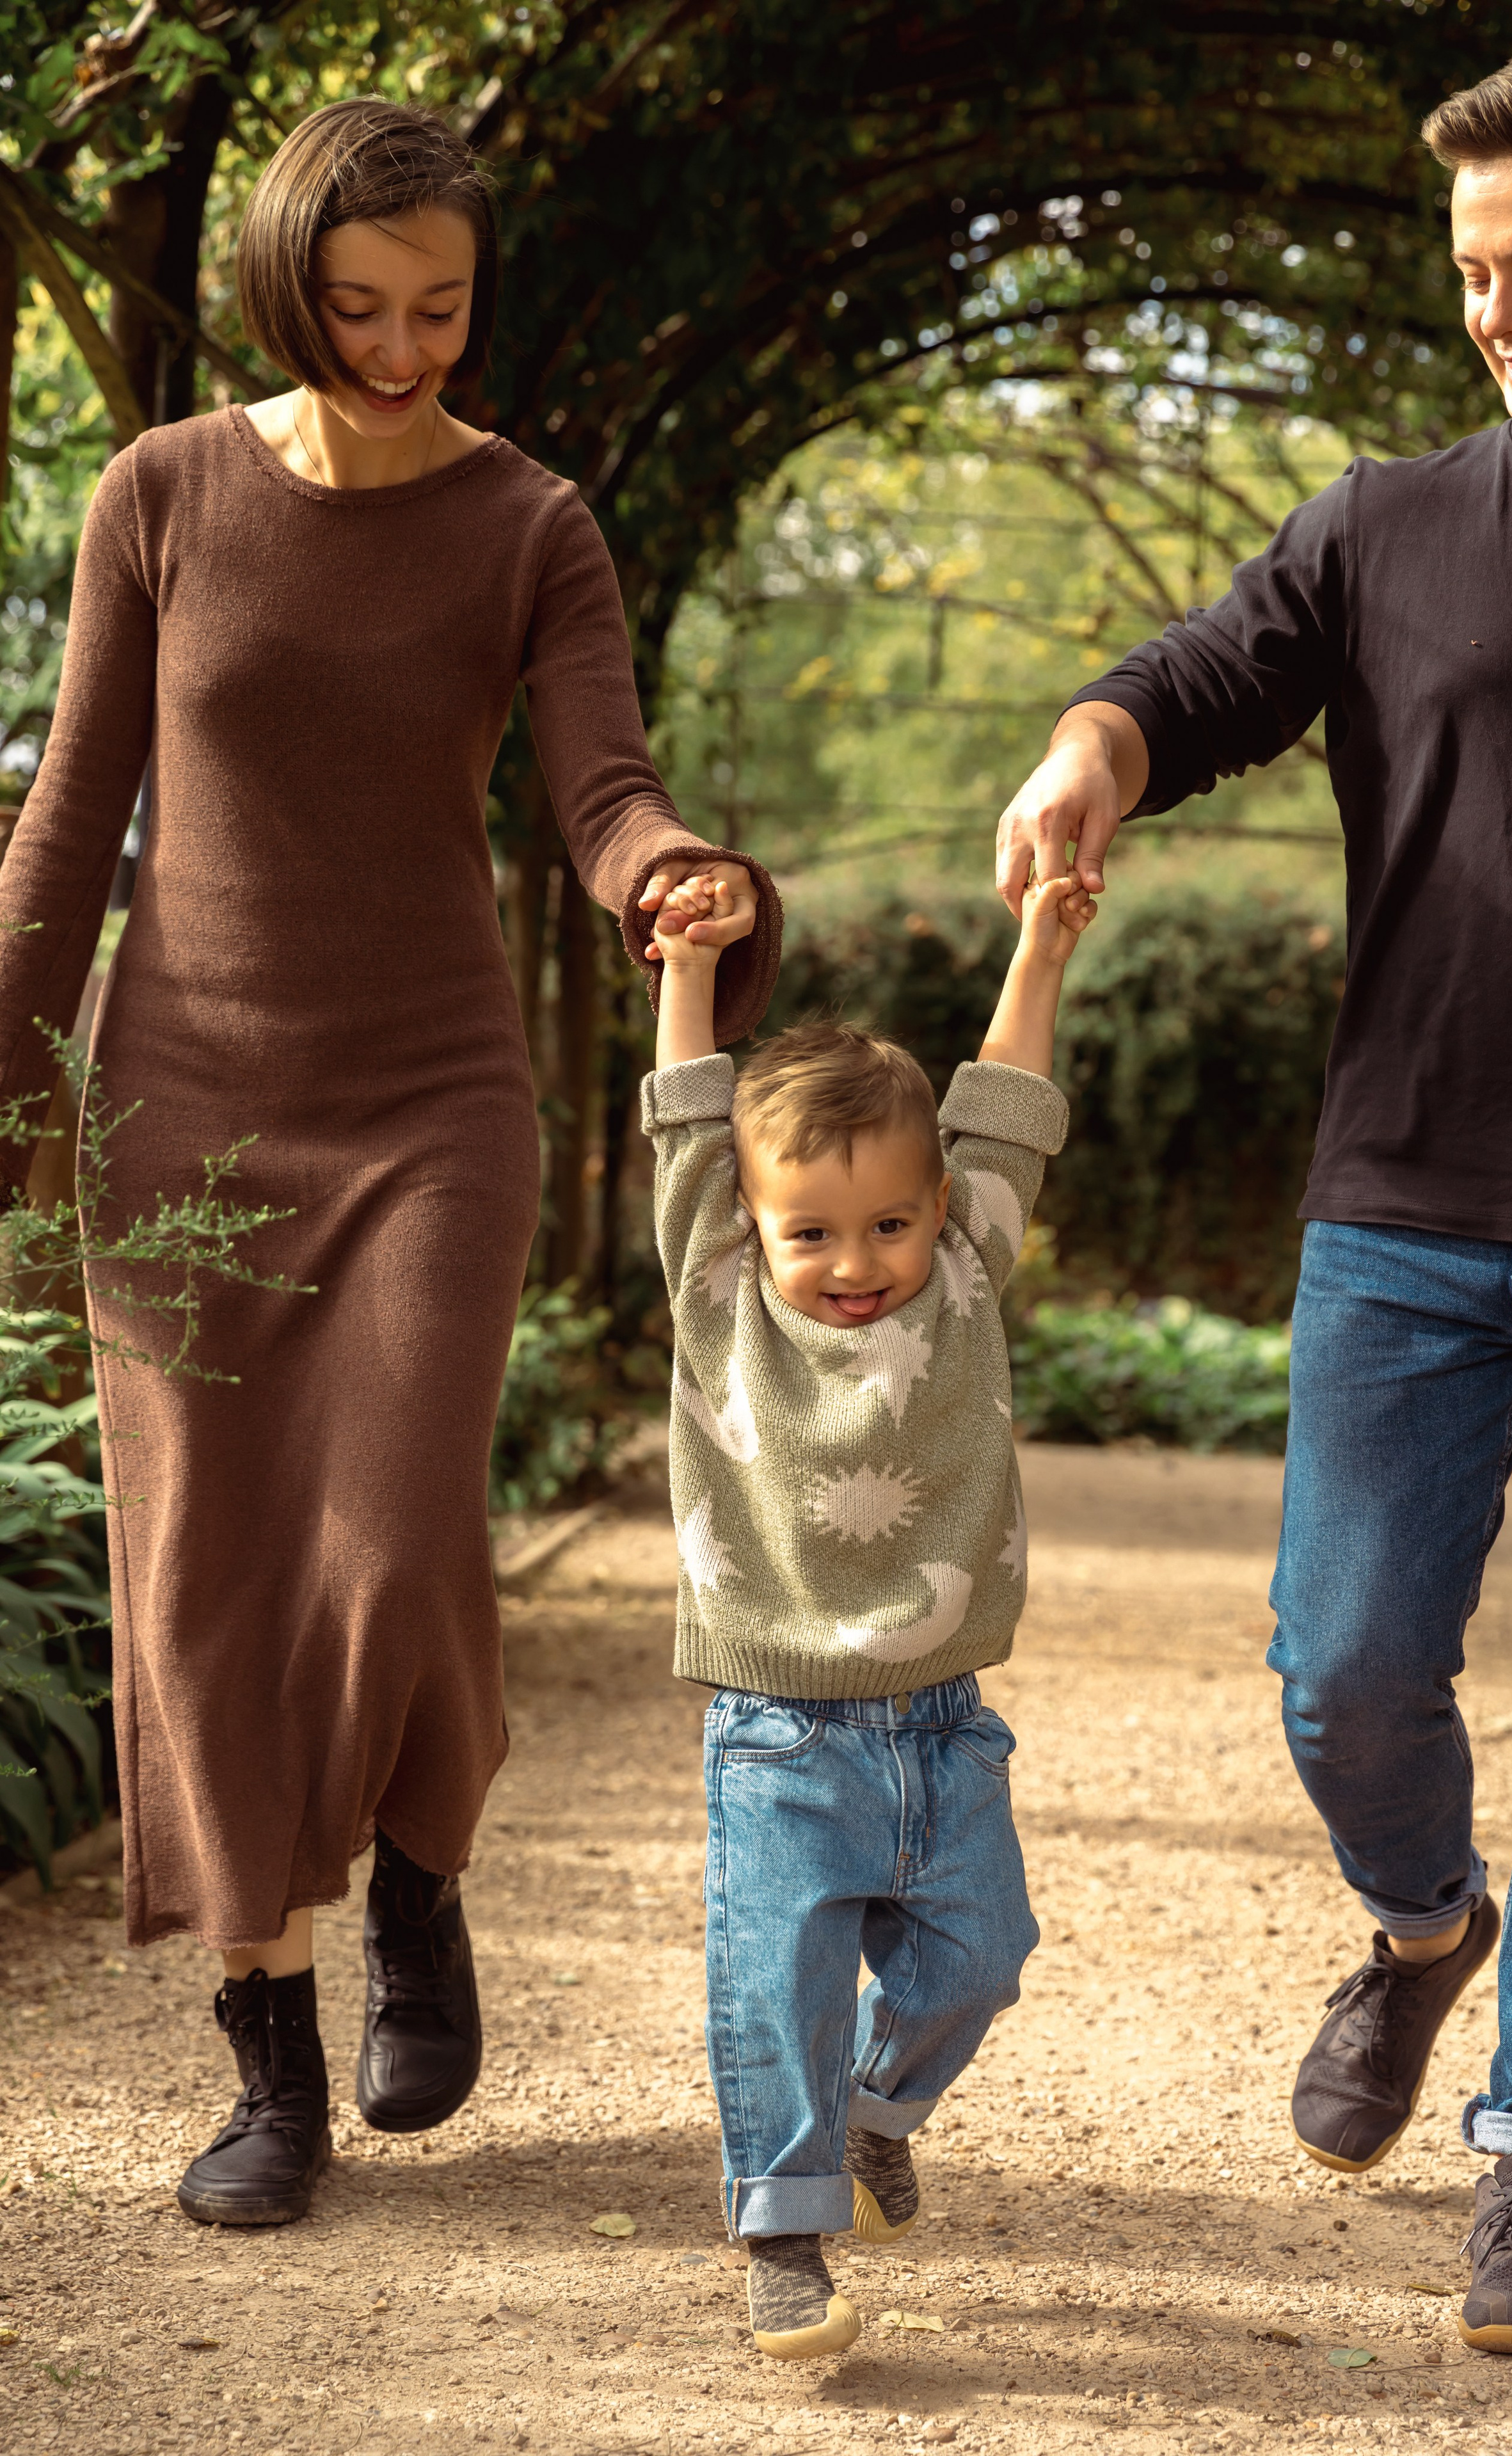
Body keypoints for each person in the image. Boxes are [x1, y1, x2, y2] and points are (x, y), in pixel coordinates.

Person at [0, 97, 776, 2228]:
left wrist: (675, 876)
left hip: (435, 1092)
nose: (406, 343)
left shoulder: (531, 521)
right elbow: (72, 820)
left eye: (442, 304)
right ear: (286, 280)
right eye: (361, 304)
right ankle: (272, 2058)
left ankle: (419, 1866)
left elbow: (601, 784)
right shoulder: (160, 493)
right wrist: (5, 1062)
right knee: (201, 1579)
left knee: (396, 1523)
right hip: (187, 1106)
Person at [991, 28, 1512, 2360]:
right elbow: (1196, 673)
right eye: (1475, 272)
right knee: (1344, 1661)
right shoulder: (1383, 522)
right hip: (1408, 1197)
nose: (1499, 311)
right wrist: (1089, 751)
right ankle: (1418, 1923)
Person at [640, 865, 1090, 2359]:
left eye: (886, 1223)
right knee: (776, 1984)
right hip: (776, 1732)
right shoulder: (718, 1286)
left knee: (984, 1952)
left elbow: (1010, 1100)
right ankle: (784, 2230)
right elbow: (689, 1117)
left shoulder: (964, 1273)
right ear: (749, 1225)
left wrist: (1037, 939)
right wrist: (690, 968)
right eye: (813, 1234)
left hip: (944, 1717)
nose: (854, 1263)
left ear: (939, 1210)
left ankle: (878, 2111)